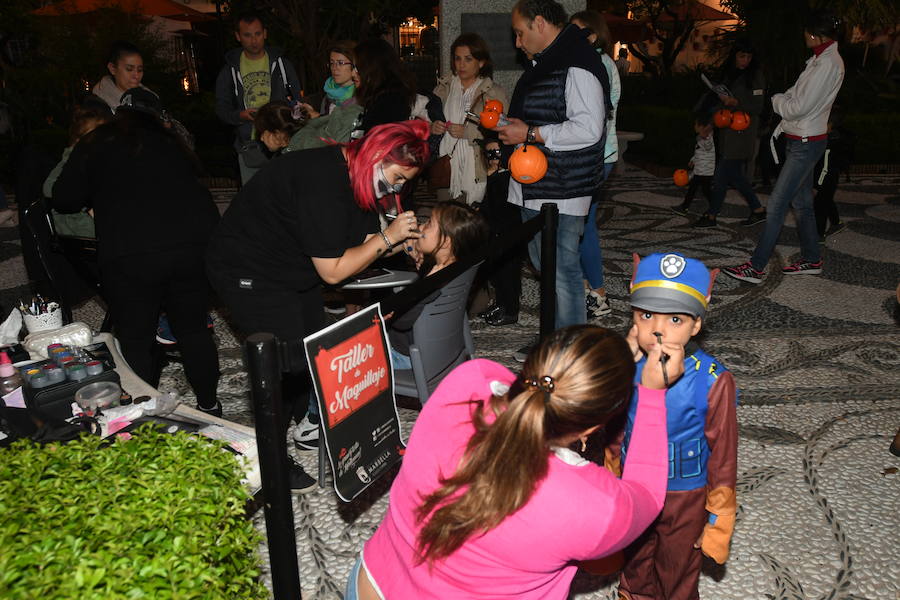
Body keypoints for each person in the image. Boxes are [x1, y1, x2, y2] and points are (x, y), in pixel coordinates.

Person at [346, 324, 677, 600]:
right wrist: (650, 395)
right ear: (591, 429)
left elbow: (518, 390)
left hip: (370, 586)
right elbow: (647, 495)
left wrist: (596, 365)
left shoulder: (466, 382)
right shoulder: (596, 507)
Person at [205, 121, 430, 490]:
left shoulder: (358, 175)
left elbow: (358, 240)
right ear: (374, 156)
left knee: (309, 347)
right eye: (396, 177)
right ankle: (270, 459)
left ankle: (303, 423)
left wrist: (397, 243)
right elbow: (334, 271)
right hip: (247, 269)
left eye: (405, 181)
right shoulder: (323, 182)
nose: (398, 188)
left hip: (291, 266)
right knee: (280, 360)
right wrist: (387, 238)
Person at [51, 88, 222, 416]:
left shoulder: (97, 141)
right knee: (193, 330)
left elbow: (64, 197)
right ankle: (210, 405)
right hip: (192, 248)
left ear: (119, 114)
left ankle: (142, 413)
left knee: (136, 337)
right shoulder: (175, 143)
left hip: (131, 253)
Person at [609, 252, 738, 600]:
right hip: (634, 484)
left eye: (676, 319)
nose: (658, 329)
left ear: (697, 325)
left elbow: (724, 454)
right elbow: (611, 428)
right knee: (635, 559)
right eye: (646, 314)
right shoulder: (626, 365)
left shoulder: (713, 380)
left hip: (685, 493)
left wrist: (719, 517)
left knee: (677, 566)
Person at [495, 0, 610, 362]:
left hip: (563, 187)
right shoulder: (550, 61)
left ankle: (573, 353)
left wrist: (529, 132)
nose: (517, 42)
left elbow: (589, 129)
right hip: (538, 184)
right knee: (546, 266)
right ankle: (554, 339)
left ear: (540, 23)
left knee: (562, 271)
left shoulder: (576, 63)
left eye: (520, 32)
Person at [724, 10, 844, 284]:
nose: (803, 35)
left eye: (806, 31)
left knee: (777, 204)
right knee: (801, 204)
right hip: (803, 139)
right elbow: (796, 94)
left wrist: (777, 101)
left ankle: (756, 267)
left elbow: (798, 106)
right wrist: (785, 98)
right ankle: (812, 258)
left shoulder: (827, 64)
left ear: (814, 34)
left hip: (804, 142)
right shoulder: (820, 60)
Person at [389, 201, 488, 370]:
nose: (421, 226)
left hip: (405, 357)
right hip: (444, 352)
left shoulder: (433, 282)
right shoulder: (459, 270)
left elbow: (401, 321)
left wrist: (421, 290)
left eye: (429, 224)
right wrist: (414, 247)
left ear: (446, 242)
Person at [571, 10, 620, 320]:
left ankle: (599, 294)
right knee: (581, 225)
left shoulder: (599, 64)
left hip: (596, 156)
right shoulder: (595, 62)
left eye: (574, 32)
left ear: (592, 36)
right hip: (597, 155)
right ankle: (590, 289)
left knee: (583, 225)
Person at [214, 10, 301, 184]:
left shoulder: (282, 65)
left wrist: (285, 117)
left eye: (257, 34)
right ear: (238, 36)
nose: (254, 40)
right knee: (254, 198)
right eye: (247, 35)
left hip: (282, 141)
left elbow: (298, 101)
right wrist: (240, 115)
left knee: (286, 194)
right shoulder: (229, 71)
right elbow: (221, 109)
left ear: (265, 34)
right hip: (250, 146)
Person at [692, 39, 767, 229]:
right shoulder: (731, 75)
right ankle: (757, 210)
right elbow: (720, 103)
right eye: (742, 56)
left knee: (721, 175)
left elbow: (757, 106)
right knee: (735, 176)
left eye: (749, 57)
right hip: (727, 132)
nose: (745, 61)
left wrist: (736, 103)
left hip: (743, 132)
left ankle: (711, 216)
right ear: (734, 56)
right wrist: (709, 124)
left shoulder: (756, 76)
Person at [430, 33, 508, 205]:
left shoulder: (494, 92)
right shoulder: (442, 89)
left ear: (481, 62)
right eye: (457, 59)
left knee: (473, 223)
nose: (461, 64)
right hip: (447, 165)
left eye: (468, 59)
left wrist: (469, 132)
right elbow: (426, 121)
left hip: (478, 167)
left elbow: (504, 130)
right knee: (447, 220)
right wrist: (432, 127)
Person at [43, 95, 113, 238]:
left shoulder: (99, 157)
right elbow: (49, 189)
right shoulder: (70, 160)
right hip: (76, 227)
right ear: (79, 140)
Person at [478, 136, 522, 326]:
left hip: (510, 233)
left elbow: (501, 206)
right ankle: (501, 304)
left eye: (497, 152)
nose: (493, 157)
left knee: (508, 273)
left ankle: (510, 310)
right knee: (497, 273)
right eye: (489, 153)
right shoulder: (495, 175)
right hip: (496, 232)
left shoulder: (509, 176)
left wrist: (493, 178)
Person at [352, 39, 416, 136]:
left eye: (357, 68)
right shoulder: (379, 98)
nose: (353, 73)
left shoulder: (390, 102)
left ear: (372, 68)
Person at [237, 101, 304, 182]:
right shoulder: (295, 151)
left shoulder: (288, 162)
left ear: (277, 133)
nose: (261, 138)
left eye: (262, 133)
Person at [813, 108, 853, 243]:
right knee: (827, 199)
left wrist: (817, 186)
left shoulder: (830, 142)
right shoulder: (836, 137)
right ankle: (836, 223)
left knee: (820, 206)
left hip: (826, 178)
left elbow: (825, 167)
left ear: (830, 124)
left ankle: (819, 236)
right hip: (831, 176)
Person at [299, 41, 358, 118]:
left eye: (340, 63)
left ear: (354, 65)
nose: (334, 68)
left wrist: (316, 116)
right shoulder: (328, 92)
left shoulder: (360, 96)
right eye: (332, 63)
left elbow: (344, 127)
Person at [671, 117, 715, 216]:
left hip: (704, 171)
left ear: (702, 127)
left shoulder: (707, 137)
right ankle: (714, 207)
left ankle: (684, 207)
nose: (694, 126)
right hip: (701, 170)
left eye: (696, 125)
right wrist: (693, 160)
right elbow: (699, 152)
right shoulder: (700, 137)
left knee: (696, 189)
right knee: (703, 189)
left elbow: (708, 147)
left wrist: (705, 135)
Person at [92, 41, 148, 111]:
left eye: (140, 70)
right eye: (129, 69)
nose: (136, 75)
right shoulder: (96, 106)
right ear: (112, 68)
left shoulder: (151, 100)